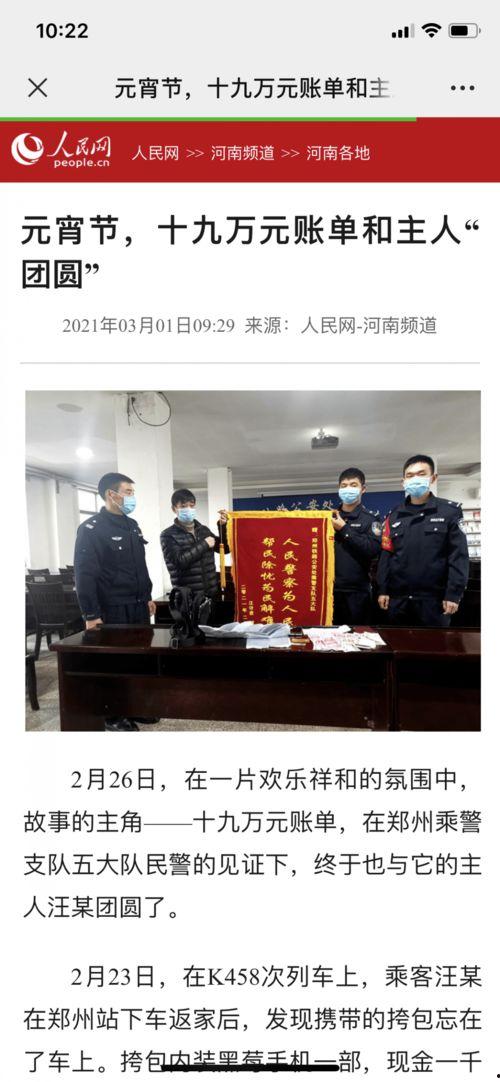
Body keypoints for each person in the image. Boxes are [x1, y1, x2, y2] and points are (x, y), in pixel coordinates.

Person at [74, 472, 157, 731]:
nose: (132, 498)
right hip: (113, 609)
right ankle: (113, 715)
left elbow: (140, 566)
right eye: (128, 492)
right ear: (112, 494)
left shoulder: (132, 525)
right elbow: (84, 575)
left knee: (138, 660)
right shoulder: (91, 529)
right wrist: (91, 615)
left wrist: (147, 596)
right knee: (113, 663)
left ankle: (134, 707)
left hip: (138, 606)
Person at [377, 454, 469, 627]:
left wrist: (453, 593)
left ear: (433, 478)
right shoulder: (393, 515)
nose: (415, 479)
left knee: (433, 644)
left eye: (421, 474)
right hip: (398, 600)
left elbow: (458, 556)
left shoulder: (449, 512)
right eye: (410, 475)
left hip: (434, 601)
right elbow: (386, 555)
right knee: (397, 642)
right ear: (403, 481)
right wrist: (383, 589)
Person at [331, 467, 382, 625]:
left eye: (353, 485)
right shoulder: (328, 517)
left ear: (363, 489)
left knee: (358, 635)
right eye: (344, 485)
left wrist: (344, 529)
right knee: (326, 635)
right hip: (328, 591)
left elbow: (372, 550)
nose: (348, 489)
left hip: (357, 592)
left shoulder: (371, 519)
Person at [160, 489, 229, 605]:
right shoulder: (168, 535)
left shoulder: (203, 530)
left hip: (211, 595)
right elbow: (179, 561)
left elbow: (225, 549)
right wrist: (204, 544)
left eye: (191, 506)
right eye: (183, 506)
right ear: (174, 509)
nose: (188, 509)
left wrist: (222, 526)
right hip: (187, 599)